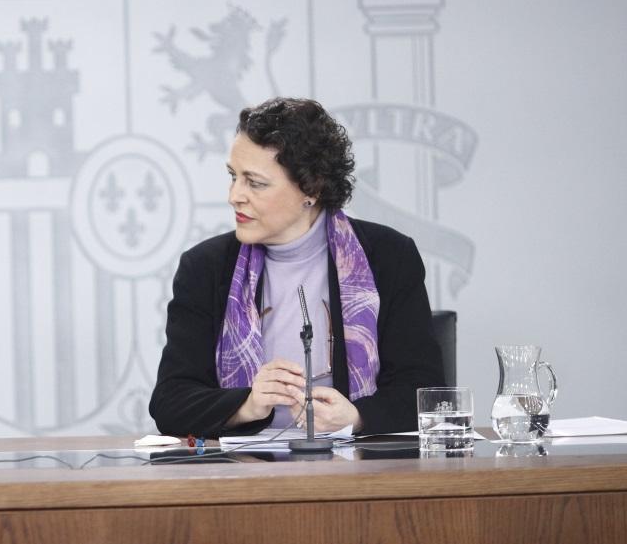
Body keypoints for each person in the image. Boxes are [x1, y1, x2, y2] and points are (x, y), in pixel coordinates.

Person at [149, 97, 443, 437]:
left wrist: (356, 418)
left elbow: (427, 396)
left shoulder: (389, 256)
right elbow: (170, 403)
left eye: (254, 182)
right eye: (233, 177)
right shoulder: (205, 267)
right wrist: (248, 404)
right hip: (242, 475)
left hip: (358, 472)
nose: (234, 195)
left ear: (311, 187)